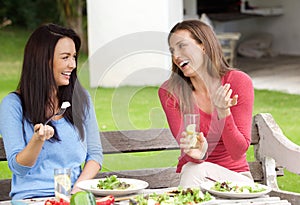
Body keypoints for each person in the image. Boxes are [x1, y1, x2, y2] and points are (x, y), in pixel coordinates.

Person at [0, 23, 103, 199]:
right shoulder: (13, 105)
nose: (72, 64)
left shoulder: (80, 99)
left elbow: (95, 155)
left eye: (74, 57)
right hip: (32, 198)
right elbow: (18, 168)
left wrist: (76, 192)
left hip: (73, 197)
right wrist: (37, 140)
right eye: (65, 57)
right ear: (43, 60)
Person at [158, 20, 254, 187]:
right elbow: (189, 152)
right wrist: (198, 154)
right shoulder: (170, 92)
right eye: (172, 50)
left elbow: (237, 152)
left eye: (182, 46)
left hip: (236, 180)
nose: (176, 56)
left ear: (203, 46)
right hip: (196, 177)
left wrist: (223, 112)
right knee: (193, 168)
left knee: (193, 171)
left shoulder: (237, 82)